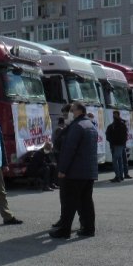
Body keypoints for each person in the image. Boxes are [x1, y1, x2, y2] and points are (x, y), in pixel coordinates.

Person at [50, 102, 98, 239]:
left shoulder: (76, 127)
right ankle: (88, 228)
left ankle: (64, 230)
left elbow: (69, 150)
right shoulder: (90, 125)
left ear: (78, 111)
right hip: (88, 172)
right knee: (86, 202)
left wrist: (62, 169)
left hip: (74, 171)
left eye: (71, 110)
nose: (68, 113)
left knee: (69, 202)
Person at [106, 110, 128, 182]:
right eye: (114, 115)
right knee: (120, 160)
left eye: (115, 114)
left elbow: (109, 135)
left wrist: (112, 141)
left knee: (115, 160)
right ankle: (120, 176)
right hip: (118, 145)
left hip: (117, 145)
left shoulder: (116, 125)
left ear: (118, 115)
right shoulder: (117, 124)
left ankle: (118, 176)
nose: (114, 116)